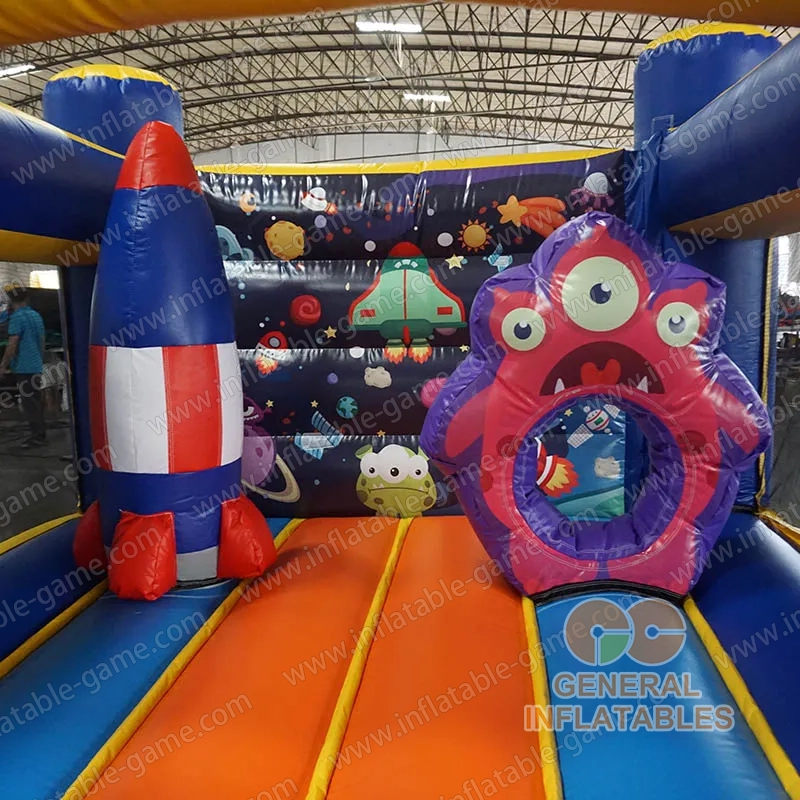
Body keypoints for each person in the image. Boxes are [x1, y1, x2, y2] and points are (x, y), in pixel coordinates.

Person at [0, 286, 46, 448]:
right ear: (27, 299)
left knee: (29, 403)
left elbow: (12, 344)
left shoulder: (17, 318)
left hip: (23, 367)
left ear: (12, 301)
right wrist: (38, 360)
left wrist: (3, 366)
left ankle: (37, 437)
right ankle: (40, 434)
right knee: (36, 401)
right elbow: (42, 341)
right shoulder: (36, 316)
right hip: (35, 365)